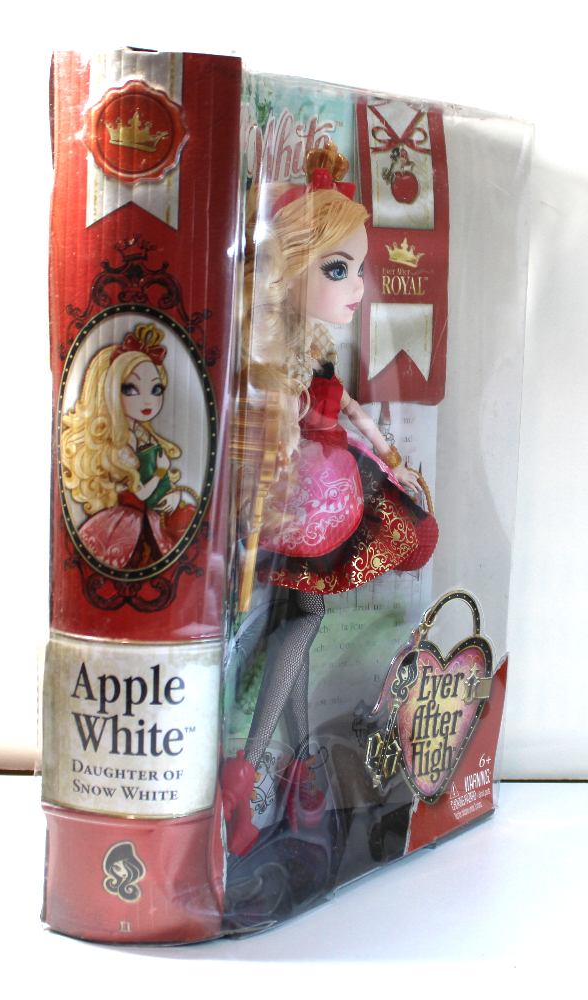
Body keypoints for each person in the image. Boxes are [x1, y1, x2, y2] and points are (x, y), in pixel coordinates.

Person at [222, 142, 438, 856]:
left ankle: (298, 768)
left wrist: (393, 461)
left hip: (315, 501)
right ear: (289, 269)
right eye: (338, 269)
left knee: (300, 617)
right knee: (303, 618)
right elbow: (281, 426)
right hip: (300, 508)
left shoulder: (311, 349)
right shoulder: (272, 362)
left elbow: (350, 412)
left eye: (359, 269)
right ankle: (253, 765)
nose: (358, 288)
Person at [61, 322, 196, 570]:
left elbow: (154, 492)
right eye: (130, 389)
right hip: (122, 522)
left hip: (149, 517)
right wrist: (160, 471)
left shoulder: (144, 437)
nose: (147, 400)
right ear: (108, 390)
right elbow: (140, 494)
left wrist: (173, 494)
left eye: (156, 389)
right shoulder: (115, 445)